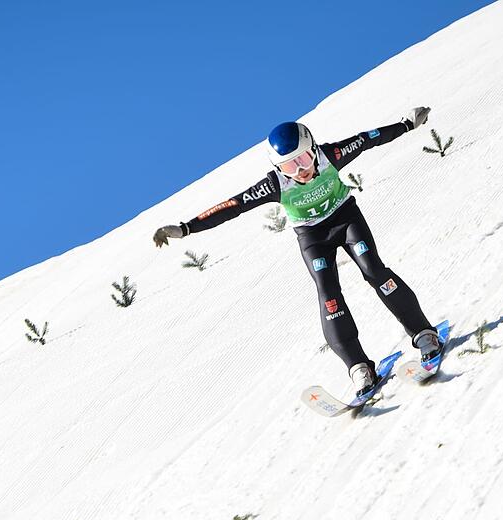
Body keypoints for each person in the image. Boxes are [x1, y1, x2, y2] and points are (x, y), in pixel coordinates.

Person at [153, 107, 441, 398]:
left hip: (345, 219)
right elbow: (234, 205)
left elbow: (367, 139)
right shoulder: (275, 185)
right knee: (329, 297)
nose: (301, 170)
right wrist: (186, 228)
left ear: (314, 149)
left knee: (374, 271)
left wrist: (407, 124)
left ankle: (424, 334)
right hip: (312, 237)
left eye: (303, 159)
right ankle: (358, 367)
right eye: (290, 167)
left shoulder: (332, 155)